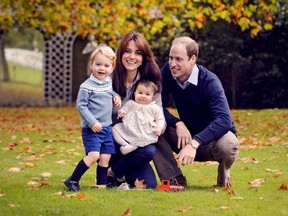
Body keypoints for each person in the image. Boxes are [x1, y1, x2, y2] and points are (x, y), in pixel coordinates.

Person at [153, 36, 239, 187]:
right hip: (184, 137)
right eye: (170, 58)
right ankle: (174, 179)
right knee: (151, 125)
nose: (173, 64)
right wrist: (177, 123)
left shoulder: (210, 82)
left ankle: (223, 177)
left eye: (178, 59)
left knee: (229, 143)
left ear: (192, 59)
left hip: (212, 141)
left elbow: (224, 120)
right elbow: (155, 106)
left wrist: (195, 142)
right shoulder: (167, 71)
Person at [107, 30, 163, 189]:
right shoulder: (108, 78)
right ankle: (116, 170)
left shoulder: (150, 82)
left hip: (137, 142)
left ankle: (113, 172)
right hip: (112, 138)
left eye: (138, 53)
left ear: (143, 58)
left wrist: (156, 128)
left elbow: (158, 113)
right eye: (128, 51)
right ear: (120, 54)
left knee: (149, 181)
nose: (132, 57)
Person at [64, 44, 121, 192]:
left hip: (107, 128)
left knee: (106, 157)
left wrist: (116, 97)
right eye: (98, 64)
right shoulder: (86, 86)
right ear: (91, 65)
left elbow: (110, 92)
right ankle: (73, 180)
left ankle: (101, 184)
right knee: (94, 155)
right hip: (92, 129)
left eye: (106, 65)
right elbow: (81, 106)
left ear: (112, 67)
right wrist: (92, 122)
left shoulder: (108, 82)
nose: (102, 68)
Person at [113, 79, 165, 155]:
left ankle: (134, 145)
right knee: (115, 129)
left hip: (144, 131)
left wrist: (159, 128)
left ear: (153, 98)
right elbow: (123, 110)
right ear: (135, 94)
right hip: (129, 130)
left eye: (147, 94)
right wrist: (121, 112)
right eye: (140, 93)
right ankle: (126, 145)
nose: (143, 96)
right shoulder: (131, 103)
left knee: (143, 139)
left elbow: (160, 119)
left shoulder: (154, 108)